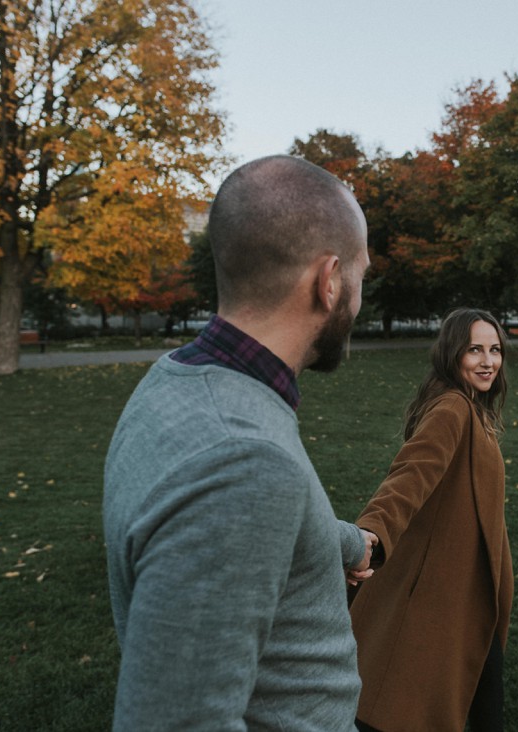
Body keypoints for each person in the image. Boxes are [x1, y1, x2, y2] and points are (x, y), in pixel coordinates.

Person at [103, 155, 378, 730]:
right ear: (329, 282)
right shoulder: (241, 462)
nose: (358, 295)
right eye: (360, 276)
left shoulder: (181, 380)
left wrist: (348, 545)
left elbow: (243, 512)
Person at [350, 308, 514, 732]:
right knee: (409, 702)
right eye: (474, 349)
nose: (487, 361)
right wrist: (373, 531)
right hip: (439, 592)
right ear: (452, 353)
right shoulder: (453, 408)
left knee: (477, 697)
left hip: (466, 589)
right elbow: (411, 475)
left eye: (494, 350)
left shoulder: (472, 409)